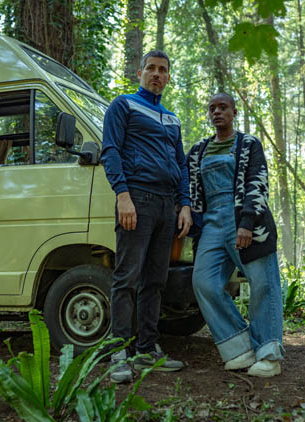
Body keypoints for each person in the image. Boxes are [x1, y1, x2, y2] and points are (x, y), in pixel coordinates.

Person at [101, 50, 192, 383]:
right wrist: (123, 196)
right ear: (139, 73)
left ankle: (147, 350)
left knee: (155, 281)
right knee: (126, 277)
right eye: (151, 69)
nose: (156, 74)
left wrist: (184, 204)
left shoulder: (172, 119)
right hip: (136, 200)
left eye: (163, 70)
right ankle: (118, 352)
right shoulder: (123, 106)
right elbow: (109, 149)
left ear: (168, 77)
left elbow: (180, 164)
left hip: (168, 207)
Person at [187, 93, 284, 377]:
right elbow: (190, 186)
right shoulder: (198, 150)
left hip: (245, 219)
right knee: (203, 281)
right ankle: (240, 348)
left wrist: (247, 223)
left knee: (263, 283)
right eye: (212, 109)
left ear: (234, 112)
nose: (217, 112)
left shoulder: (249, 143)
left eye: (223, 107)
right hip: (212, 224)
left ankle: (269, 353)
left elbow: (258, 181)